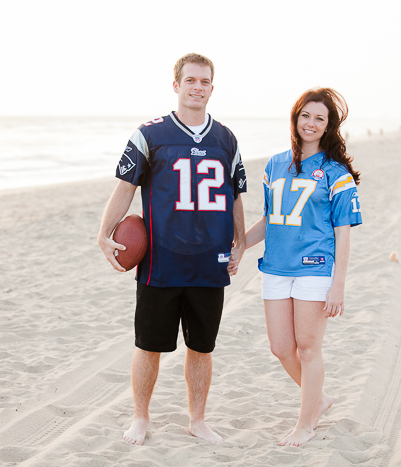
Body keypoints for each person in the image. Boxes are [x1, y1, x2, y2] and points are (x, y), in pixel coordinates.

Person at [97, 53, 246, 446]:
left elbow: (234, 197)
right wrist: (103, 233)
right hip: (160, 263)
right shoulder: (151, 134)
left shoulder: (226, 139)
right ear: (176, 84)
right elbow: (126, 188)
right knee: (148, 347)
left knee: (202, 348)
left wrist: (242, 241)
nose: (198, 87)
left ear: (213, 88)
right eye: (191, 80)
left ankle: (197, 420)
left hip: (209, 263)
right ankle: (140, 417)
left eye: (205, 81)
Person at [233, 88, 361, 447]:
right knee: (280, 347)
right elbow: (270, 219)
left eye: (320, 118)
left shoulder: (336, 174)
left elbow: (343, 234)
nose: (311, 123)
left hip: (315, 269)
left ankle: (305, 424)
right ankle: (318, 398)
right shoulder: (275, 165)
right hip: (275, 267)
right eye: (306, 115)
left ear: (328, 127)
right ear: (296, 118)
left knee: (308, 348)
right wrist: (240, 246)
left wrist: (338, 285)